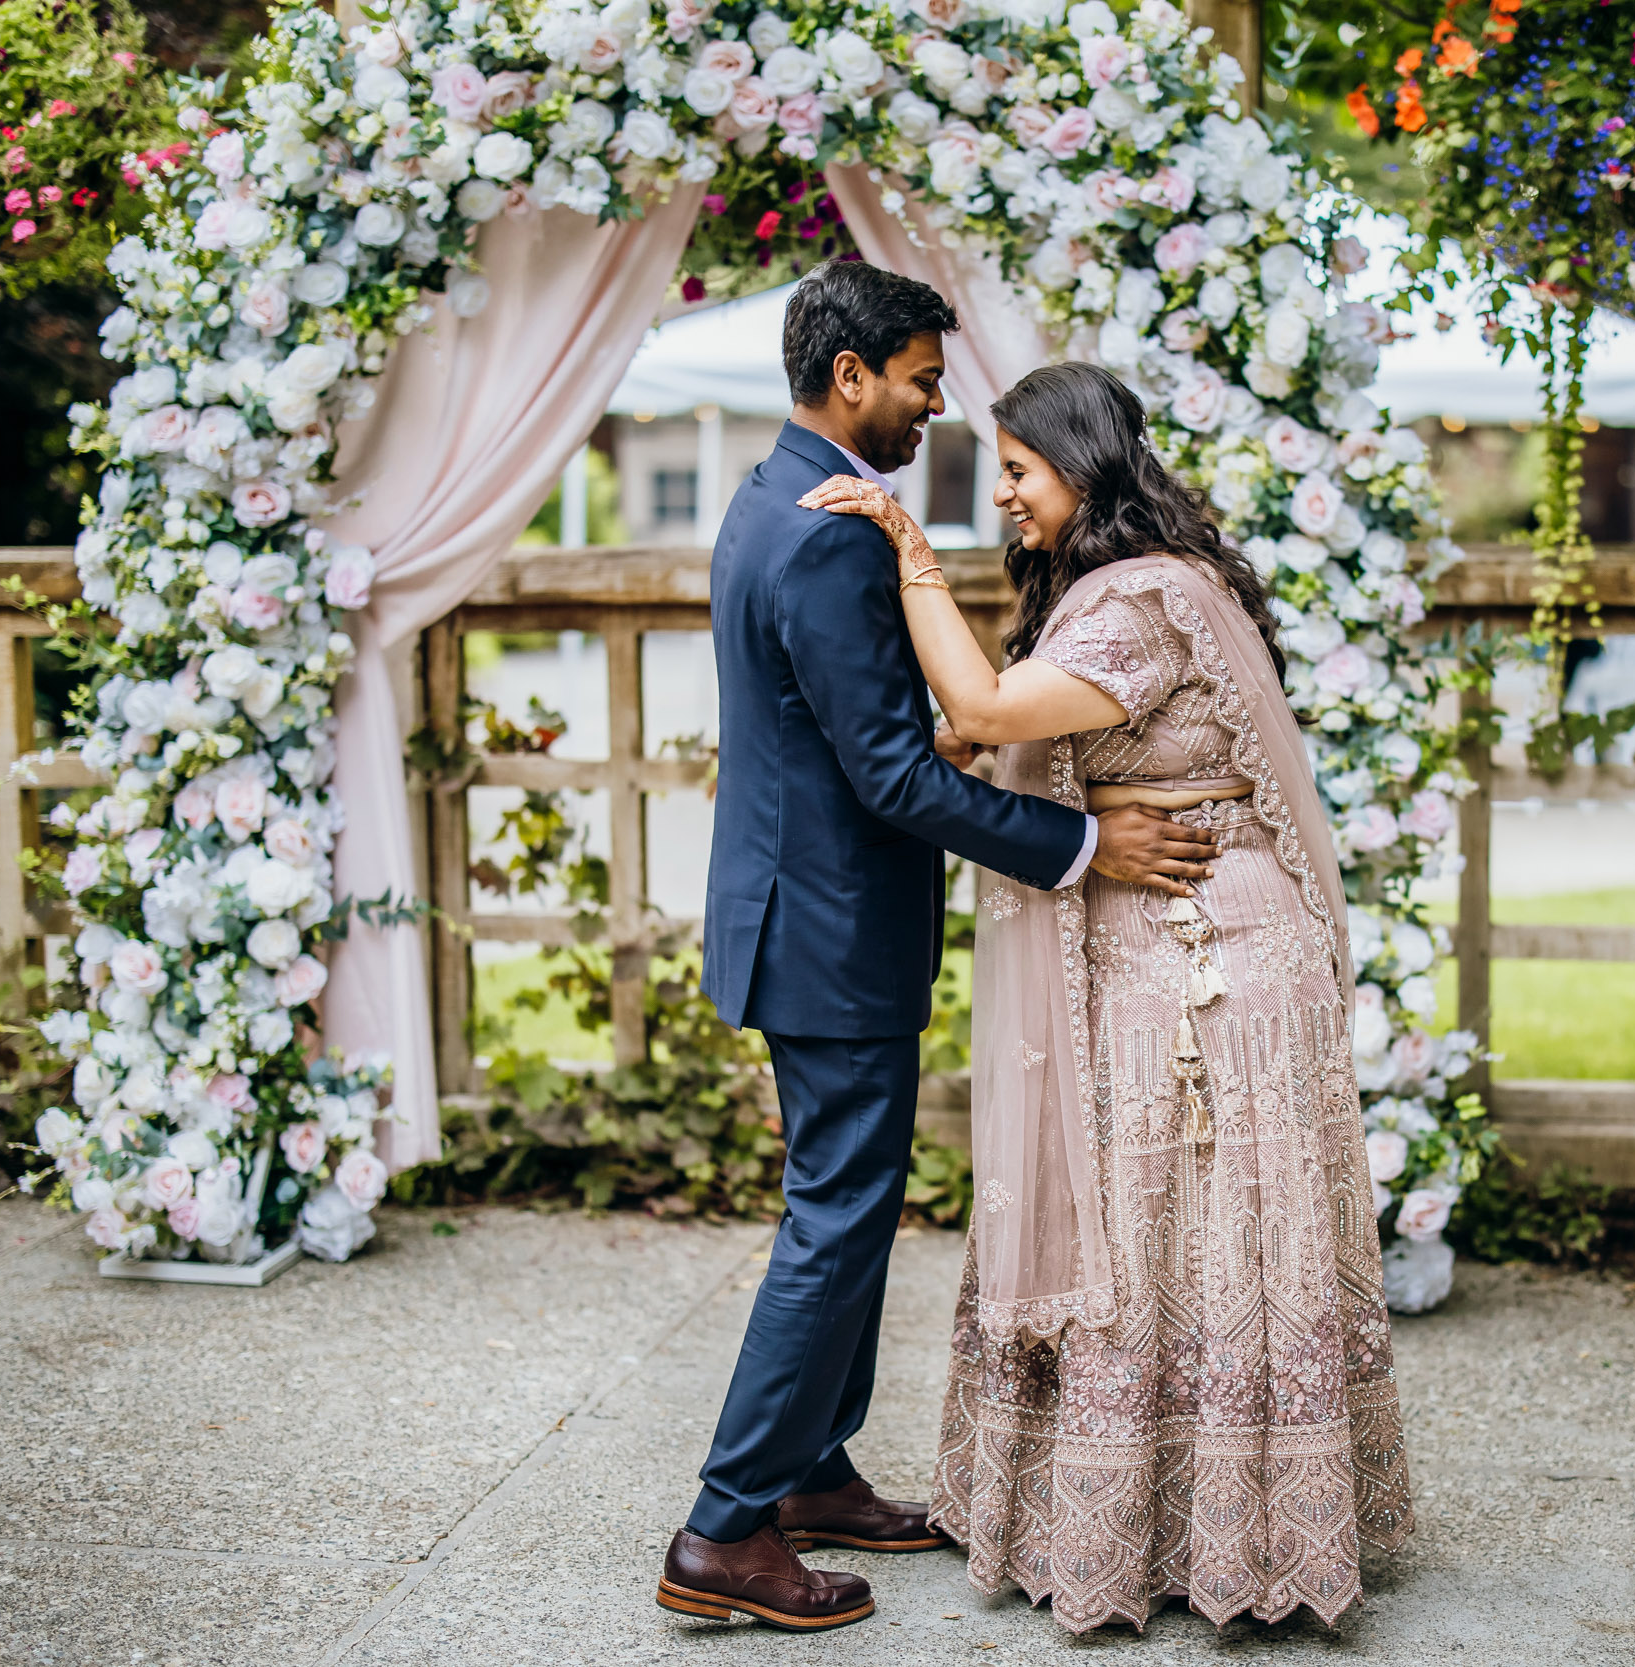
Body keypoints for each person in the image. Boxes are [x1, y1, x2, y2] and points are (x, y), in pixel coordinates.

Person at [800, 361, 1413, 1633]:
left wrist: (908, 548)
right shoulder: (1108, 594)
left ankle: (1237, 1536)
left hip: (1210, 960)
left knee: (1187, 1235)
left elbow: (974, 707)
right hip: (1151, 939)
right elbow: (990, 733)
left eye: (1017, 470)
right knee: (1149, 1235)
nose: (1005, 495)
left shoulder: (1139, 599)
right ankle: (1146, 1522)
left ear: (1081, 464)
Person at [656, 265, 1224, 1634]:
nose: (932, 405)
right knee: (836, 1219)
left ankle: (810, 1470)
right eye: (918, 378)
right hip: (830, 932)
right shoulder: (833, 533)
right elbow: (896, 778)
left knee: (844, 1207)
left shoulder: (770, 495)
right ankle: (725, 1525)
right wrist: (1086, 847)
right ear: (850, 375)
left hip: (807, 917)